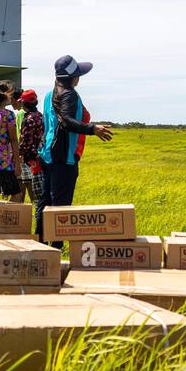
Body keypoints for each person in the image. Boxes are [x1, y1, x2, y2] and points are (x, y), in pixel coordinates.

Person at [37, 55, 114, 246]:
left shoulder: (48, 95)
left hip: (47, 155)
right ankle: (55, 250)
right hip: (63, 158)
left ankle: (38, 244)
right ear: (73, 78)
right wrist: (92, 129)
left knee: (44, 203)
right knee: (60, 207)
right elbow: (66, 121)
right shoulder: (69, 94)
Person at [16, 89, 45, 207]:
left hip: (33, 161)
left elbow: (25, 142)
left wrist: (18, 155)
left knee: (39, 198)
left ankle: (41, 223)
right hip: (43, 158)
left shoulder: (28, 119)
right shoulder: (40, 116)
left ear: (24, 103)